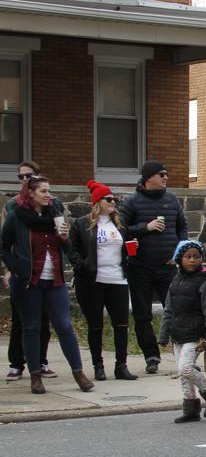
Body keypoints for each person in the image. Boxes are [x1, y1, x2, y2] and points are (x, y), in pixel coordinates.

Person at [1, 175, 93, 395]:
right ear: (30, 193)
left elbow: (67, 247)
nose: (48, 195)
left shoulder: (55, 215)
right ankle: (35, 376)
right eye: (43, 191)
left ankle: (78, 373)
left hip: (55, 280)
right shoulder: (16, 217)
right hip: (28, 281)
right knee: (31, 327)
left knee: (64, 325)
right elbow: (4, 247)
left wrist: (64, 237)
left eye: (49, 191)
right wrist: (16, 267)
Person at [119, 161, 188, 375]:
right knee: (142, 315)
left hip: (168, 267)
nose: (166, 178)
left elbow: (182, 226)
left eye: (166, 174)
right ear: (149, 178)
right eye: (162, 174)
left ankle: (183, 357)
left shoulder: (172, 200)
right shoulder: (131, 202)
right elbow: (120, 229)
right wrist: (144, 228)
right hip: (140, 267)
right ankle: (151, 356)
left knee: (177, 311)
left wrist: (179, 252)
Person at [68, 180, 137, 381]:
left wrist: (132, 249)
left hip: (118, 279)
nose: (113, 202)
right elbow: (71, 250)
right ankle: (98, 366)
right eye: (109, 199)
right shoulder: (82, 224)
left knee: (121, 325)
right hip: (92, 281)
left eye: (114, 199)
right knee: (95, 325)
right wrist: (82, 265)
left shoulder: (119, 224)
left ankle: (121, 366)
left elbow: (126, 248)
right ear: (98, 201)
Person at [158, 240, 206, 423]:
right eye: (188, 257)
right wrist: (164, 334)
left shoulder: (204, 283)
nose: (193, 260)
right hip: (178, 334)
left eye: (196, 257)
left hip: (195, 335)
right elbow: (168, 309)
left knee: (186, 368)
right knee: (183, 374)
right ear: (180, 259)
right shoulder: (176, 280)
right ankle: (191, 407)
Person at [4, 162, 54, 381]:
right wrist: (9, 269)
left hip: (44, 269)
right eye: (20, 177)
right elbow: (5, 242)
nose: (24, 180)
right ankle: (17, 363)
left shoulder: (50, 205)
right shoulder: (12, 206)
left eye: (28, 176)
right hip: (22, 271)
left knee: (43, 320)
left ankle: (41, 361)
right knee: (21, 320)